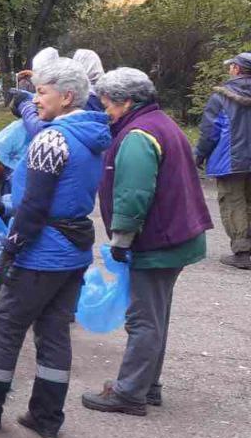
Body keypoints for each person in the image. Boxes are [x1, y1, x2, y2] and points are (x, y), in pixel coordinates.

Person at [0, 58, 110, 438]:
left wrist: (11, 249)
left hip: (43, 251)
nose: (35, 100)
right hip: (75, 250)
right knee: (53, 331)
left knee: (5, 325)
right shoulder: (94, 133)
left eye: (41, 92)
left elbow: (34, 205)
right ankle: (47, 416)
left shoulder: (52, 139)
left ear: (66, 97)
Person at [80, 68, 211, 415]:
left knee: (143, 319)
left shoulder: (138, 134)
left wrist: (122, 239)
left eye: (106, 103)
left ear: (125, 102)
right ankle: (147, 385)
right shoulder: (160, 123)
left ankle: (129, 393)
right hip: (177, 236)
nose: (104, 111)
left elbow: (134, 192)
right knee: (156, 314)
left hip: (158, 241)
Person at [194, 51, 251, 269]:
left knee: (233, 201)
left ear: (236, 69)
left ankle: (241, 251)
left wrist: (199, 154)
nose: (229, 69)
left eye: (231, 66)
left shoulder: (220, 97)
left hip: (231, 161)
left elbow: (210, 132)